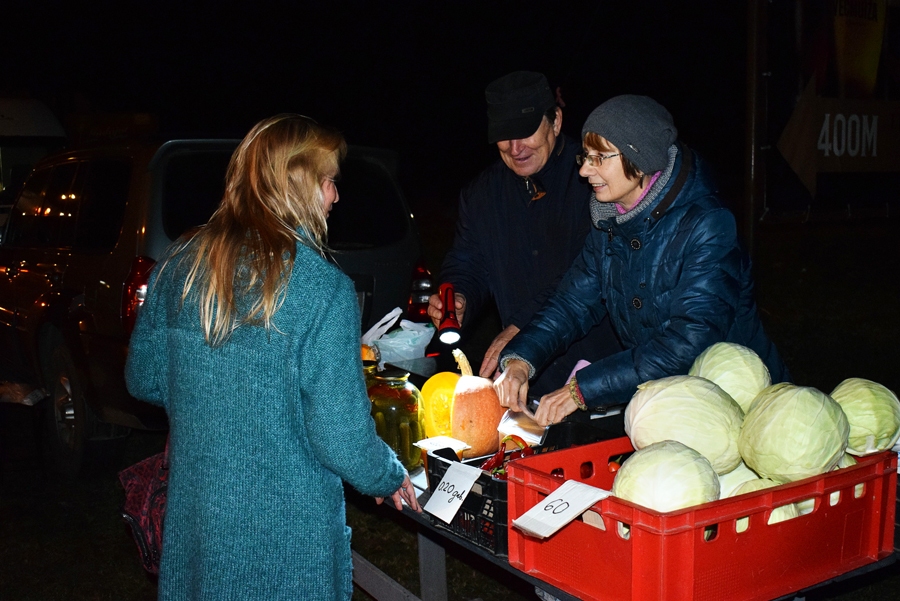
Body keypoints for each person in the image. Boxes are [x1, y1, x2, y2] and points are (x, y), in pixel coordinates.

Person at [125, 114, 420, 600]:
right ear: (299, 184)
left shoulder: (178, 264)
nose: (336, 196)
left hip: (199, 520)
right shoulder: (321, 288)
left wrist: (215, 395)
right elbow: (340, 435)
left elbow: (145, 378)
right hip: (287, 537)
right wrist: (387, 474)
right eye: (329, 181)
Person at [494, 95, 790, 426]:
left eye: (598, 158)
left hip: (744, 405)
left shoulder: (708, 225)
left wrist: (582, 390)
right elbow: (571, 304)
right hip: (675, 402)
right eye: (585, 157)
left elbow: (690, 341)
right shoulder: (610, 221)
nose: (584, 170)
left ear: (640, 157)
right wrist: (521, 359)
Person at [428, 71, 621, 397]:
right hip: (524, 382)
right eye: (504, 136)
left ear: (555, 121)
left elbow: (588, 277)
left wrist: (523, 325)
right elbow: (468, 262)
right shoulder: (482, 194)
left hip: (596, 373)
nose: (515, 148)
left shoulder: (595, 182)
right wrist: (459, 298)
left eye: (525, 132)